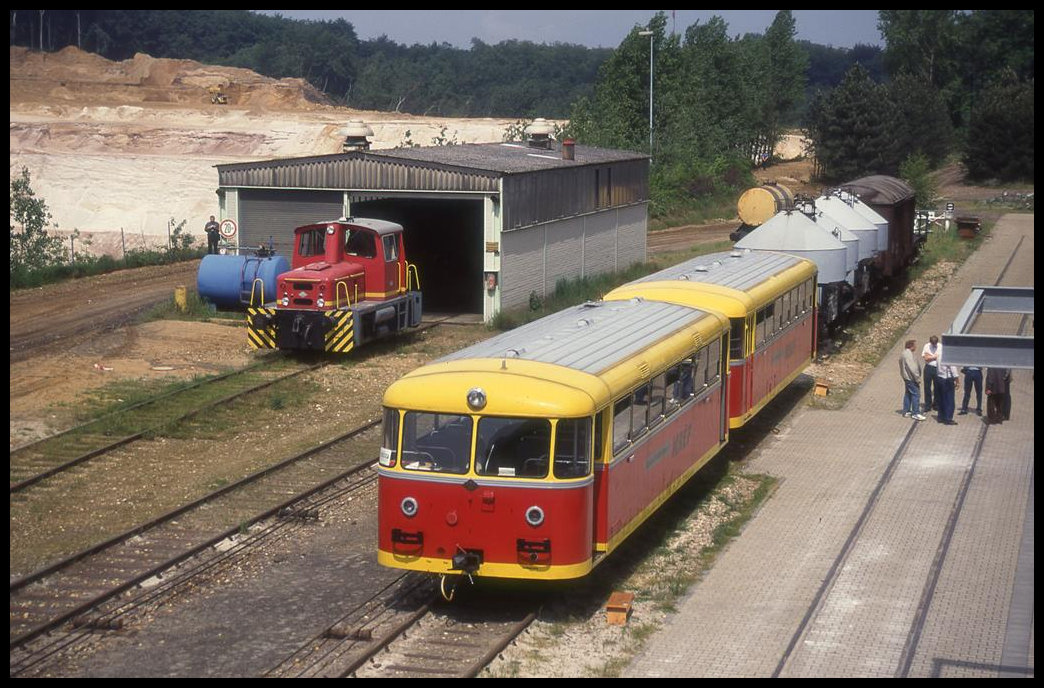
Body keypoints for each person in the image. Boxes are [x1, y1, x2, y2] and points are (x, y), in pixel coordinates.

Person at [899, 339, 927, 421]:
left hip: (906, 378)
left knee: (908, 394)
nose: (916, 347)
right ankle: (916, 413)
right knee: (916, 395)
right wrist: (917, 378)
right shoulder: (908, 355)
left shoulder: (904, 353)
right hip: (911, 378)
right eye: (915, 345)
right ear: (911, 346)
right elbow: (913, 368)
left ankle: (906, 411)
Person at [922, 335, 941, 413]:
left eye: (935, 343)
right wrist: (935, 357)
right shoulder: (926, 346)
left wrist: (930, 356)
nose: (934, 345)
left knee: (937, 387)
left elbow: (940, 357)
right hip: (928, 367)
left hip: (937, 368)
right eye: (933, 343)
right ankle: (928, 405)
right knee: (927, 387)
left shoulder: (940, 346)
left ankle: (936, 404)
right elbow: (925, 357)